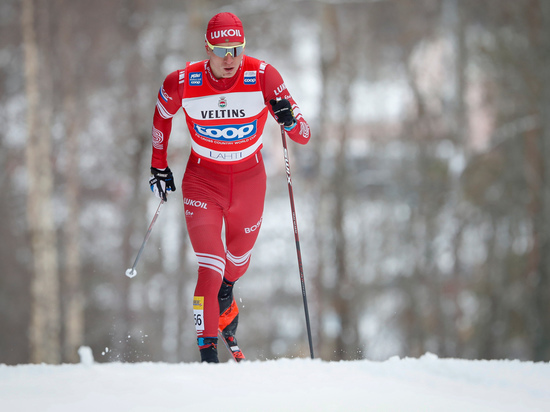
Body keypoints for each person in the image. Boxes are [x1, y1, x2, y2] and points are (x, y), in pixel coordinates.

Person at [148, 12, 310, 363]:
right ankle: (208, 357)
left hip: (249, 181)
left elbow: (304, 135)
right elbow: (162, 114)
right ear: (207, 48)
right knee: (211, 264)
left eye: (235, 49)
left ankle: (226, 293)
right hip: (202, 181)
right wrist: (158, 164)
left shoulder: (264, 76)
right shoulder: (183, 81)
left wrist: (289, 119)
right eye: (220, 49)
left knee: (236, 262)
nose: (229, 58)